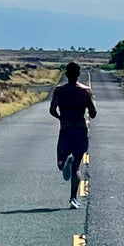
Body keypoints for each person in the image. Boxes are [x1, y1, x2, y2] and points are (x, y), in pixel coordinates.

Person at [49, 62, 97, 209]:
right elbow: (93, 114)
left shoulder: (59, 91)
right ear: (78, 74)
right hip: (81, 130)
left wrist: (60, 117)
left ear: (66, 74)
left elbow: (52, 110)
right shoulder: (85, 91)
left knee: (60, 164)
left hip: (66, 129)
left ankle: (64, 162)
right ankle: (73, 198)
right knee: (76, 168)